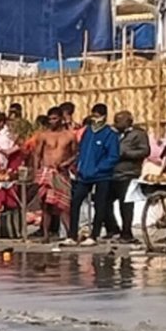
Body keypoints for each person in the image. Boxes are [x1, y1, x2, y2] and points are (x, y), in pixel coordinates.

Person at [68, 103, 120, 246]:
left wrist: (99, 169)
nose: (95, 118)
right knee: (75, 201)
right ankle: (72, 235)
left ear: (104, 116)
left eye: (98, 115)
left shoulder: (110, 134)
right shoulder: (88, 132)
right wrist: (79, 166)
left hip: (102, 176)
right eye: (94, 115)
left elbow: (113, 156)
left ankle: (94, 235)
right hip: (84, 175)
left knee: (100, 205)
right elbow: (82, 151)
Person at [31, 107, 77, 241]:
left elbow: (75, 154)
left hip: (62, 173)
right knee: (46, 206)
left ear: (61, 119)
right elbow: (37, 155)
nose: (52, 121)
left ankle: (70, 235)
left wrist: (66, 163)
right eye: (50, 119)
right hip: (46, 171)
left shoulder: (69, 135)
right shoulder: (44, 135)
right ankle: (45, 235)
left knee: (63, 205)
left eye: (55, 118)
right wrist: (36, 172)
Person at [111, 111, 151, 243]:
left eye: (118, 121)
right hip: (111, 174)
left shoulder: (138, 134)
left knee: (126, 204)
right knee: (103, 202)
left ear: (128, 121)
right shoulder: (113, 134)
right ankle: (113, 229)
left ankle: (126, 233)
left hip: (128, 174)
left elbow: (145, 151)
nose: (115, 123)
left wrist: (125, 154)